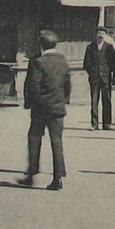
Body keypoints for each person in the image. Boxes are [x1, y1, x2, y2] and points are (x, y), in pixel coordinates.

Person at [23, 29, 71, 190]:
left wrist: (32, 104)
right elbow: (67, 84)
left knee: (34, 138)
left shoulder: (39, 62)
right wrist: (63, 101)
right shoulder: (63, 60)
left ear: (41, 45)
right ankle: (58, 178)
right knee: (57, 142)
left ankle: (31, 175)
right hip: (58, 108)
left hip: (41, 109)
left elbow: (33, 87)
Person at [82, 26, 115, 130]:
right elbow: (86, 63)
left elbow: (112, 62)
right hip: (94, 78)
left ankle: (107, 124)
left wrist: (108, 72)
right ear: (95, 35)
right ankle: (94, 124)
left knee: (107, 100)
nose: (100, 35)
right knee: (94, 101)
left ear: (105, 35)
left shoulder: (109, 47)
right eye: (99, 33)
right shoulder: (90, 47)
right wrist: (92, 72)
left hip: (106, 78)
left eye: (102, 33)